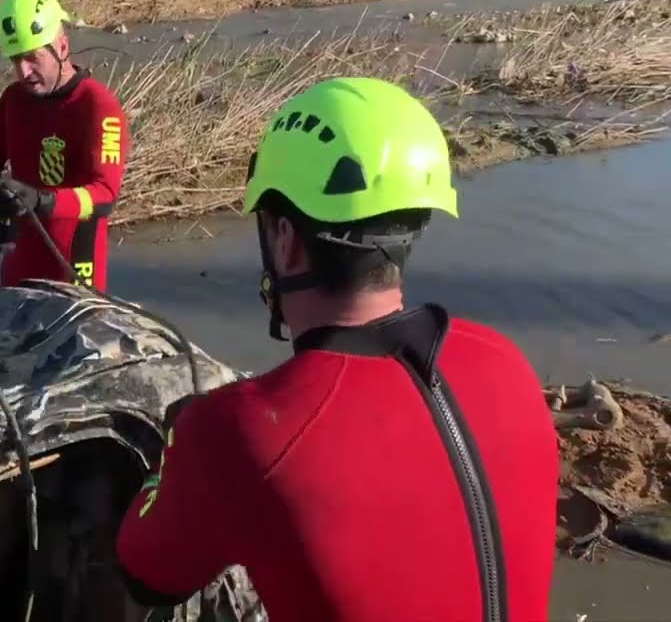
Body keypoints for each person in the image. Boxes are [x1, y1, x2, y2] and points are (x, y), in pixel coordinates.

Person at [114, 77, 559, 622]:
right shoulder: (505, 363)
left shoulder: (240, 431)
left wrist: (174, 455)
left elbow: (143, 576)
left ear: (285, 239)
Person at [0, 0, 131, 292]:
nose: (23, 71)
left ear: (63, 48)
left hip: (74, 262)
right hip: (19, 260)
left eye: (32, 58)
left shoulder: (98, 106)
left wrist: (44, 201)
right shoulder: (14, 100)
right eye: (15, 60)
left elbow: (104, 193)